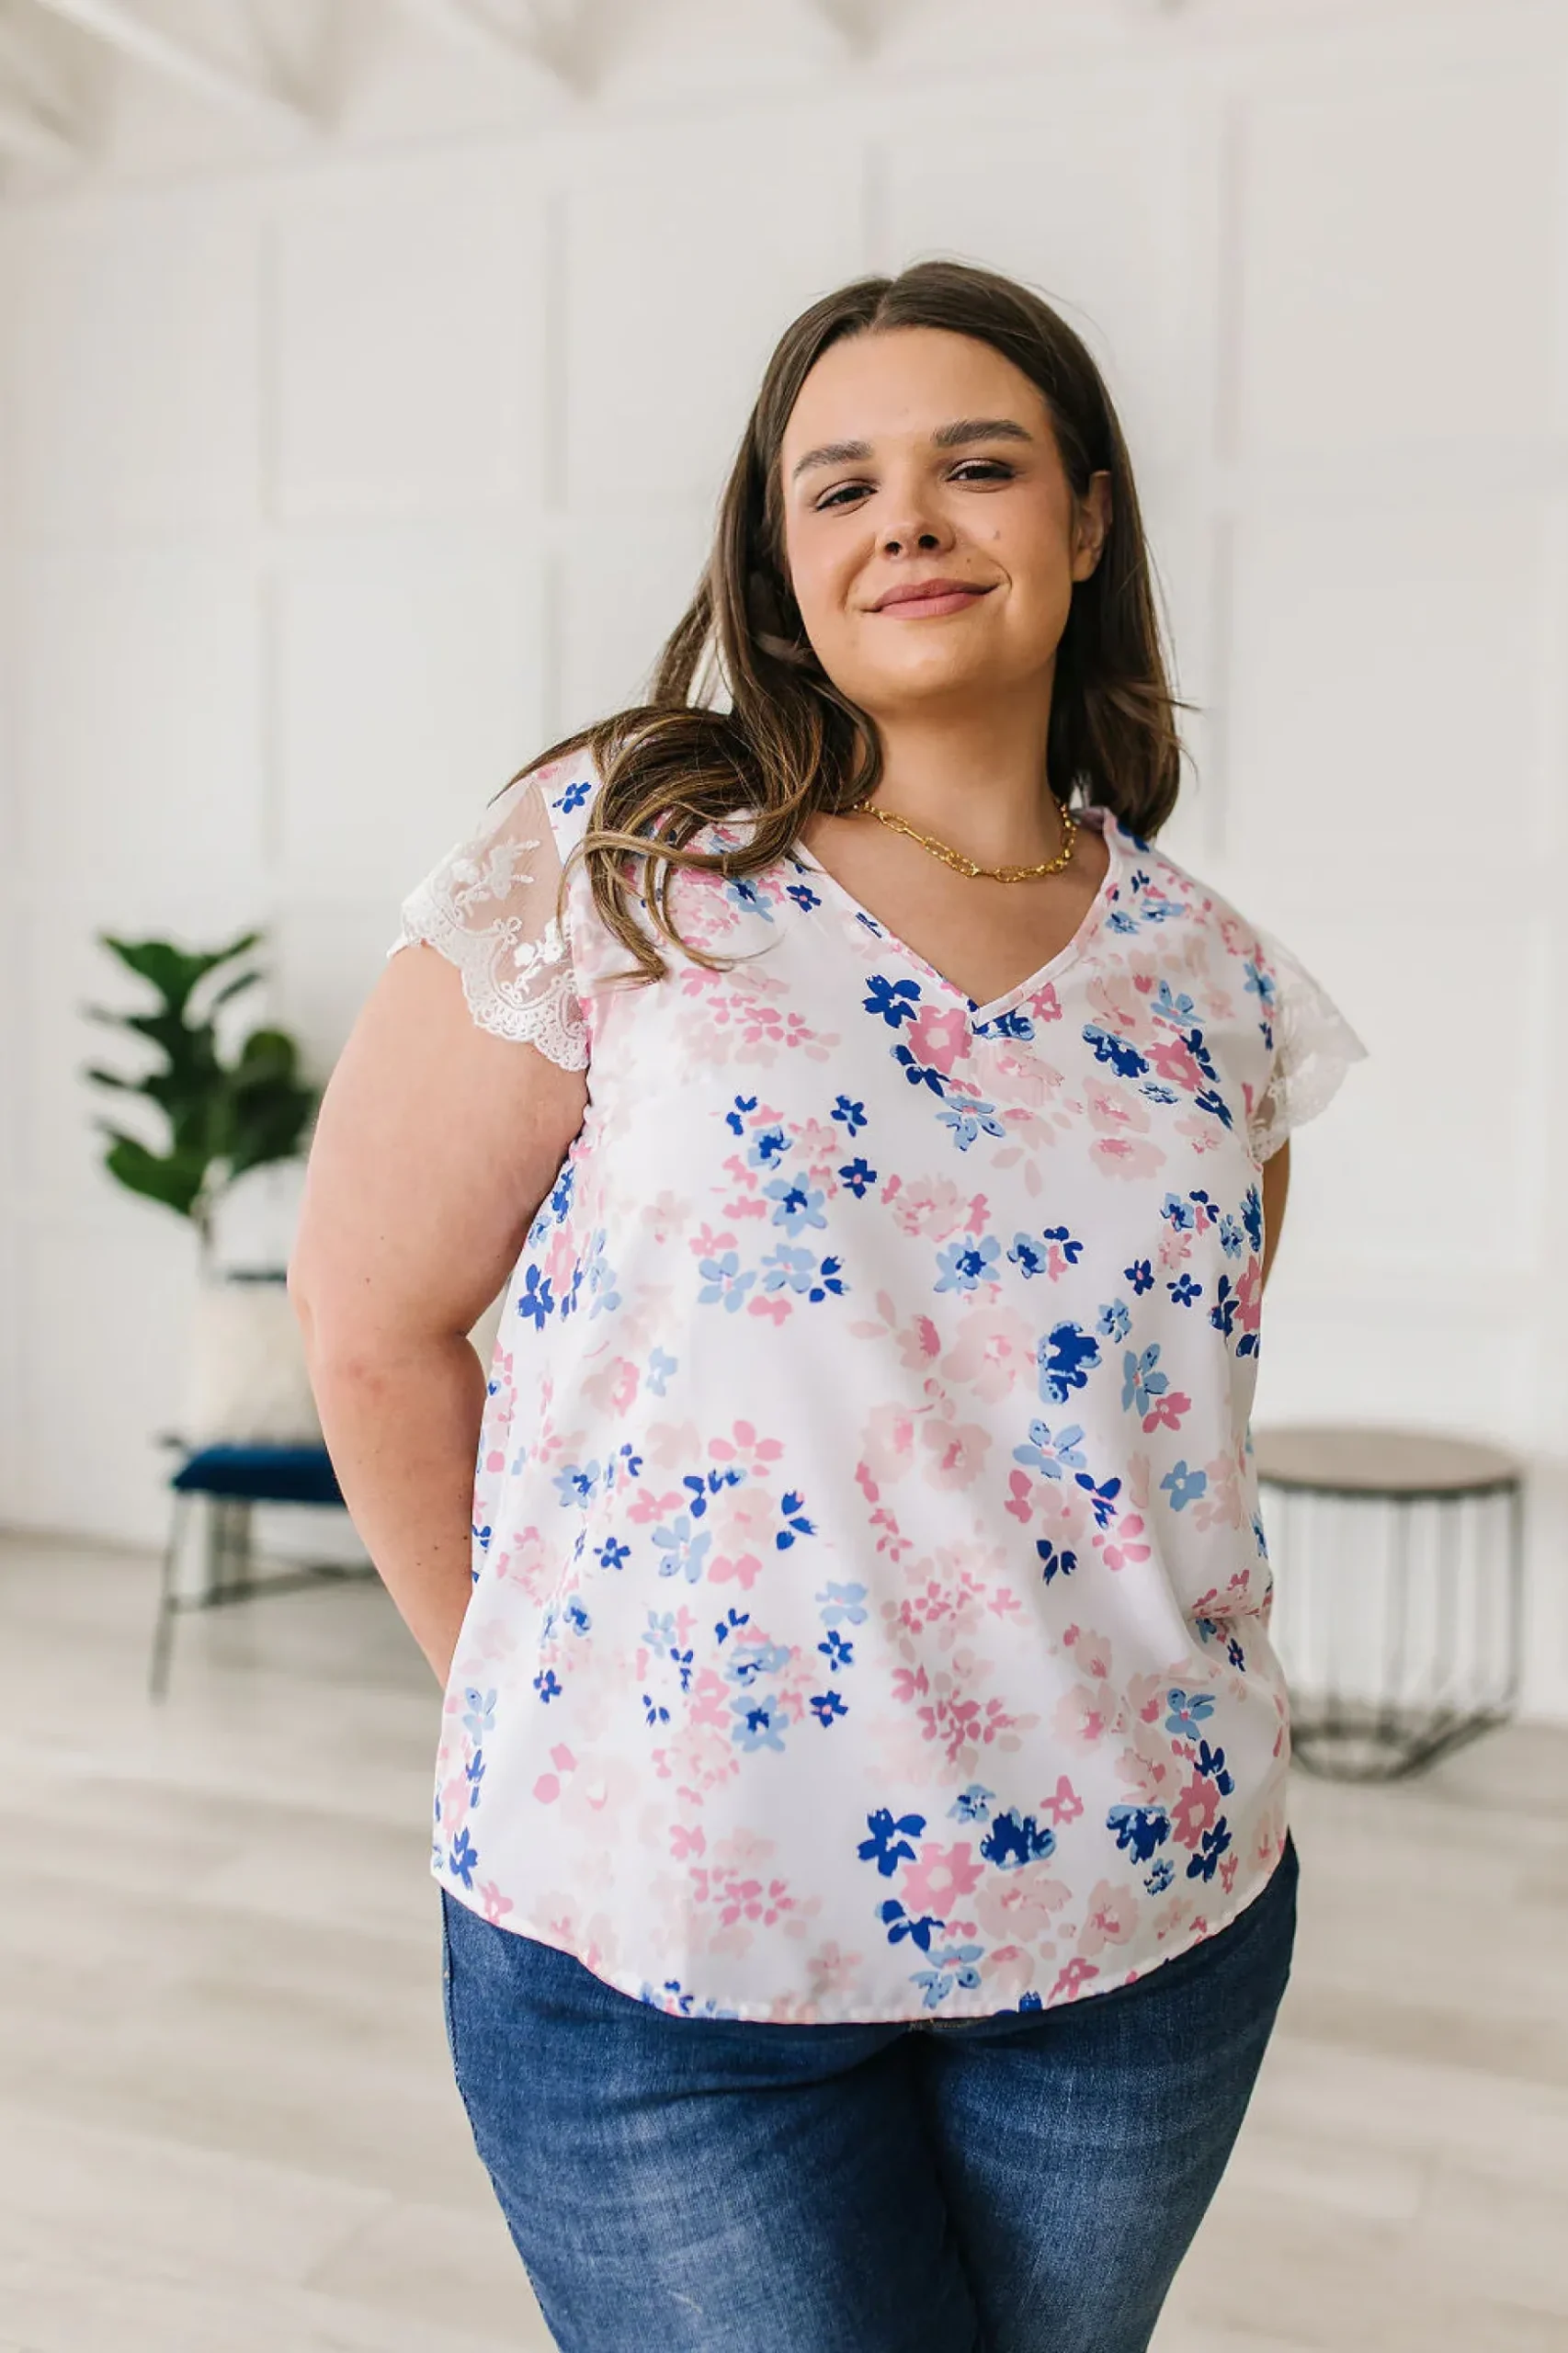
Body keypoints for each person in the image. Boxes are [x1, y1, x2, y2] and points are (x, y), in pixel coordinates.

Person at [290, 260, 1365, 2353]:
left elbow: (1153, 1433)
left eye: (977, 464)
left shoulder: (1211, 984)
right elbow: (369, 1318)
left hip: (1136, 1932)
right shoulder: (621, 858)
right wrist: (542, 1717)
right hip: (659, 1947)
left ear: (1085, 516)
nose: (909, 518)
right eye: (838, 484)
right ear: (779, 572)